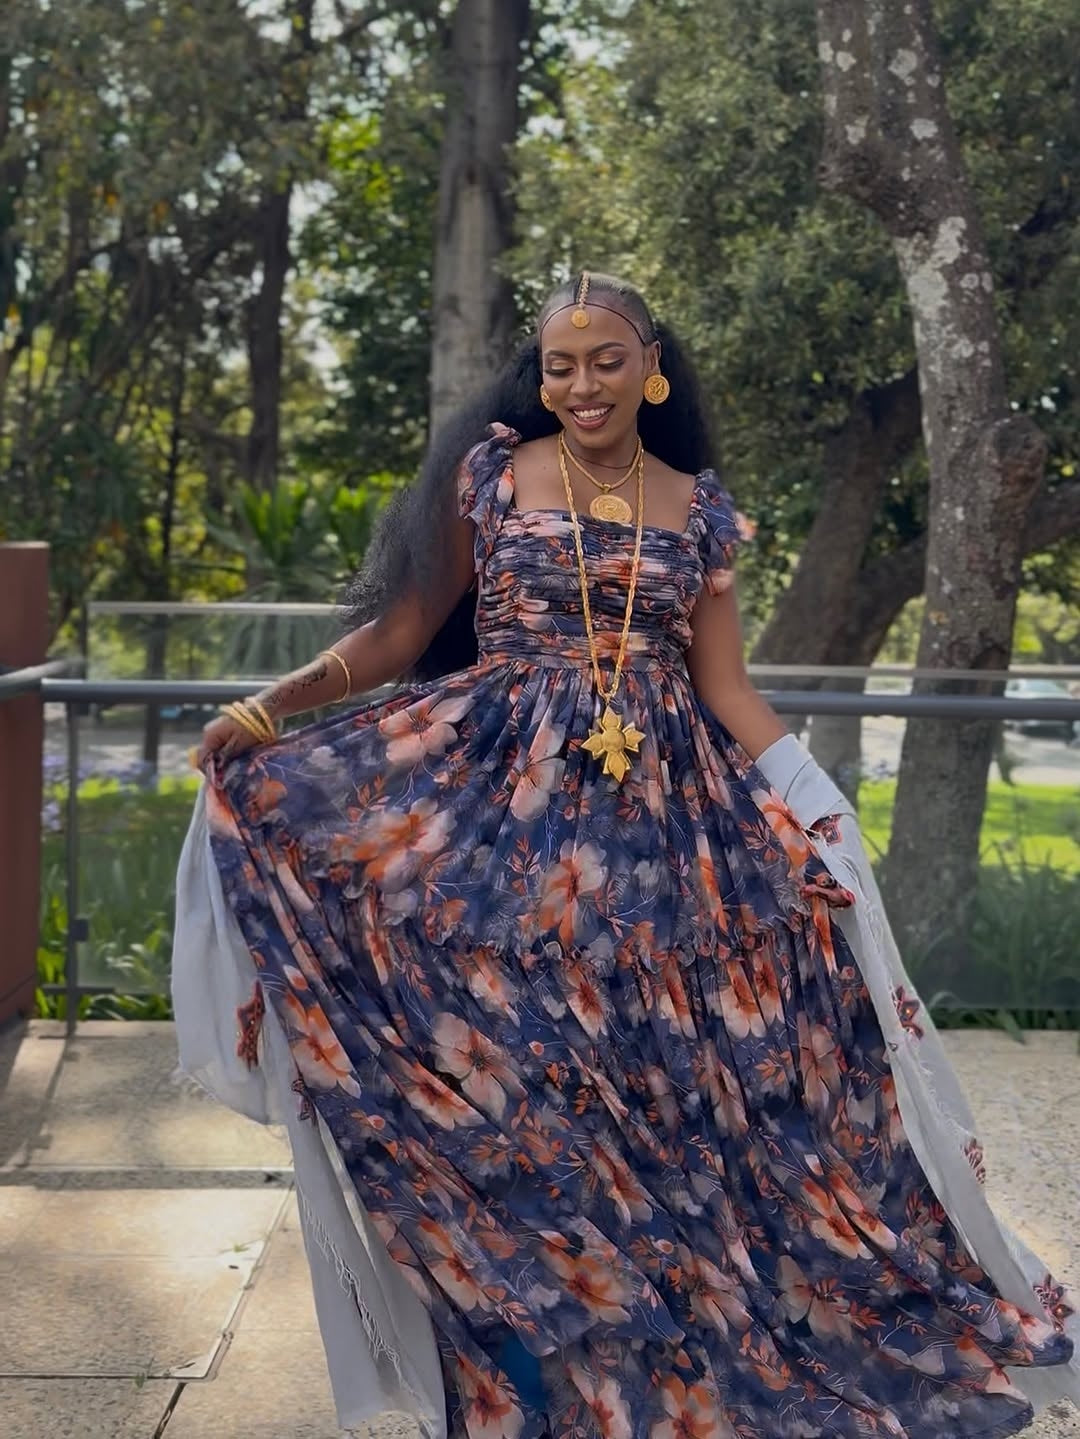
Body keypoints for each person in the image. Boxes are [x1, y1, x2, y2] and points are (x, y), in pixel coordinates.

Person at [172, 272, 1078, 1439]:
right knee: (523, 1079)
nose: (581, 383)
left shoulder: (703, 509)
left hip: (666, 834)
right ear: (538, 373)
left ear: (650, 362)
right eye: (560, 364)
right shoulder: (491, 474)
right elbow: (402, 629)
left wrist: (813, 801)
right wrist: (267, 710)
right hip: (498, 815)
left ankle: (681, 1362)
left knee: (678, 1088)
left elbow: (727, 690)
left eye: (605, 360)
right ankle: (543, 1363)